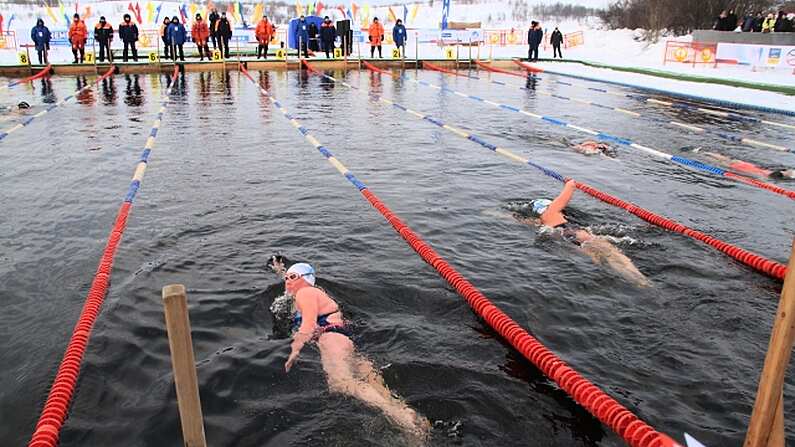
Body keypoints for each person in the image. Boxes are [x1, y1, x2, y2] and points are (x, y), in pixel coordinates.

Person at [272, 260, 431, 439]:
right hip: (343, 339)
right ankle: (406, 413)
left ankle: (400, 416)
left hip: (331, 340)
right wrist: (280, 270)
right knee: (373, 383)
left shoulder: (305, 293)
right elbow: (295, 282)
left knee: (341, 383)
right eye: (286, 277)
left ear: (306, 279)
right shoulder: (312, 291)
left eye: (292, 277)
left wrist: (294, 351)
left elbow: (307, 326)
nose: (287, 280)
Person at [518, 180, 650, 287]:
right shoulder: (551, 210)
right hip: (575, 232)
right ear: (547, 206)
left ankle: (634, 282)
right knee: (614, 254)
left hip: (563, 238)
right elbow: (568, 191)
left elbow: (512, 218)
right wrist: (571, 182)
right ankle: (641, 279)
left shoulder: (538, 222)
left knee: (601, 258)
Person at [683, 147, 794, 179]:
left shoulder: (766, 172)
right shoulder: (765, 176)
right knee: (720, 161)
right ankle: (700, 154)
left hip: (746, 165)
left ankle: (704, 152)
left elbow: (786, 172)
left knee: (723, 158)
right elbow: (784, 174)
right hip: (742, 168)